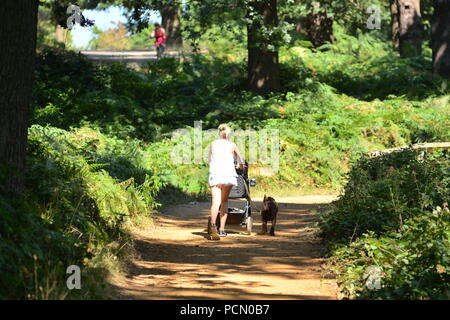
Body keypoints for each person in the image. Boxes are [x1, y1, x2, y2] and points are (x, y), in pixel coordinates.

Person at [207, 124, 245, 240]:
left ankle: (213, 226)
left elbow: (209, 160)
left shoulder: (213, 144)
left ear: (219, 133)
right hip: (228, 176)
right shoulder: (232, 145)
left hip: (216, 175)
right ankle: (222, 230)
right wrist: (239, 165)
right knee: (224, 202)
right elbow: (241, 162)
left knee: (216, 202)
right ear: (229, 134)